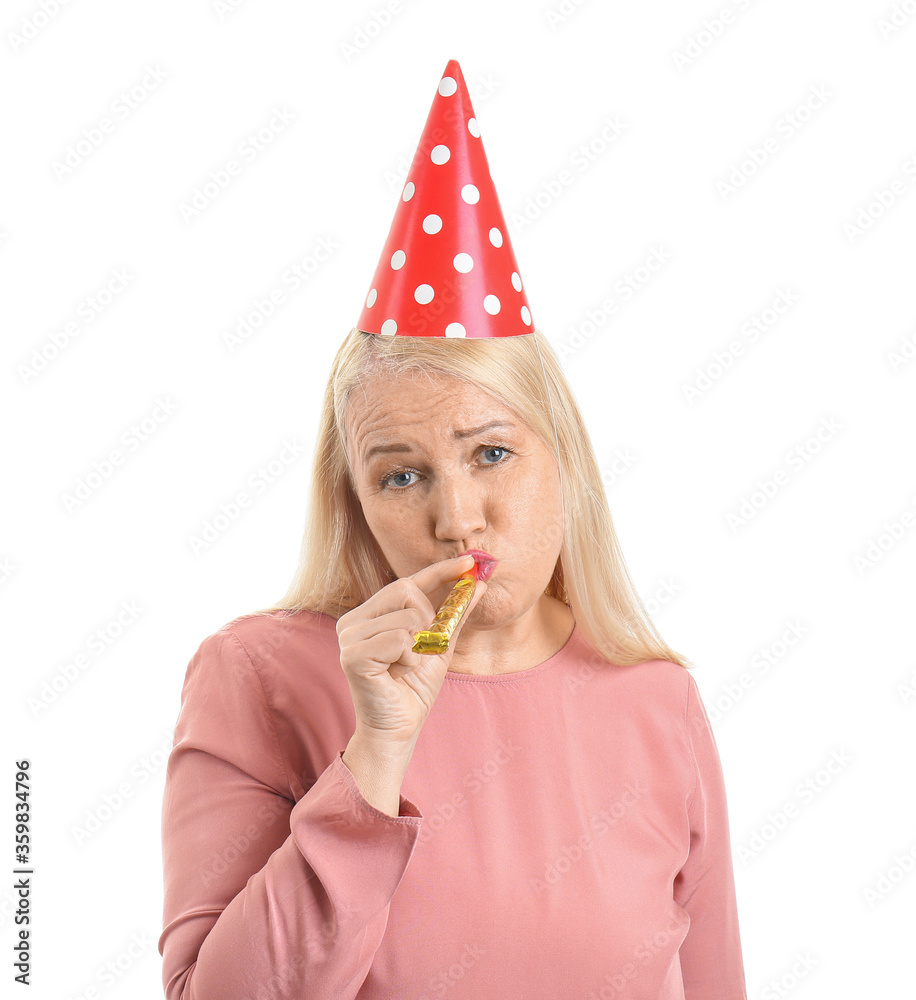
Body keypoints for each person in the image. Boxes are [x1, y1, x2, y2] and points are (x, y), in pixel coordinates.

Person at [159, 60, 747, 999]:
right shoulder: (260, 676)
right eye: (402, 476)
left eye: (490, 454)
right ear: (355, 502)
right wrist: (376, 754)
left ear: (566, 461)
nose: (455, 518)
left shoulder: (657, 699)